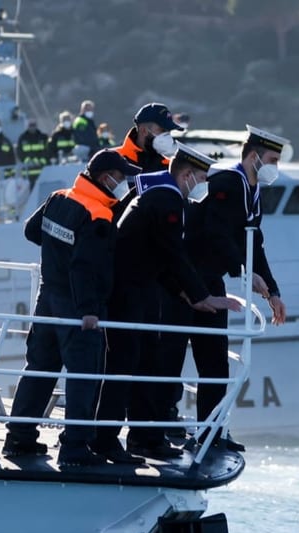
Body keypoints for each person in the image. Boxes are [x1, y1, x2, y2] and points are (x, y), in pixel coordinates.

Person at [92, 144, 241, 462]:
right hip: (128, 294)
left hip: (141, 291)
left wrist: (187, 295)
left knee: (148, 367)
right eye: (202, 177)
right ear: (186, 175)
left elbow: (162, 257)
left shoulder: (164, 197)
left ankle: (148, 437)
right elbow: (174, 255)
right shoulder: (169, 200)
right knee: (125, 368)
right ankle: (106, 440)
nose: (205, 185)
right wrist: (201, 295)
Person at [2, 149, 142, 467]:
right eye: (121, 179)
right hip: (78, 308)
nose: (125, 185)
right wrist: (89, 309)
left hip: (47, 297)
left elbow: (31, 230)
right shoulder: (98, 215)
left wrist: (57, 255)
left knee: (38, 369)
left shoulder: (58, 197)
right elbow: (82, 266)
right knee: (84, 375)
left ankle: (19, 438)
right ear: (105, 177)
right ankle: (75, 448)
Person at [161, 125, 289, 453]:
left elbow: (253, 242)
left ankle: (211, 432)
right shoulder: (228, 182)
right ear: (254, 156)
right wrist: (245, 273)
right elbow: (216, 232)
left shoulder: (253, 191)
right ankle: (162, 428)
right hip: (185, 281)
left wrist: (272, 290)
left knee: (215, 363)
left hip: (211, 280)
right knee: (170, 357)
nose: (276, 165)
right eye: (273, 158)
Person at [114, 102, 181, 174]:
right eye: (162, 130)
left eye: (168, 132)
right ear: (144, 131)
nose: (167, 136)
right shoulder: (113, 161)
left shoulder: (171, 167)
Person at [16, 118, 49, 187]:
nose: (32, 127)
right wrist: (27, 161)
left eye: (34, 125)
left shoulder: (43, 137)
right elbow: (19, 153)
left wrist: (41, 161)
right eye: (30, 125)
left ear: (36, 125)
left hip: (42, 170)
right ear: (27, 126)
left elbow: (47, 151)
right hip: (27, 172)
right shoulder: (22, 138)